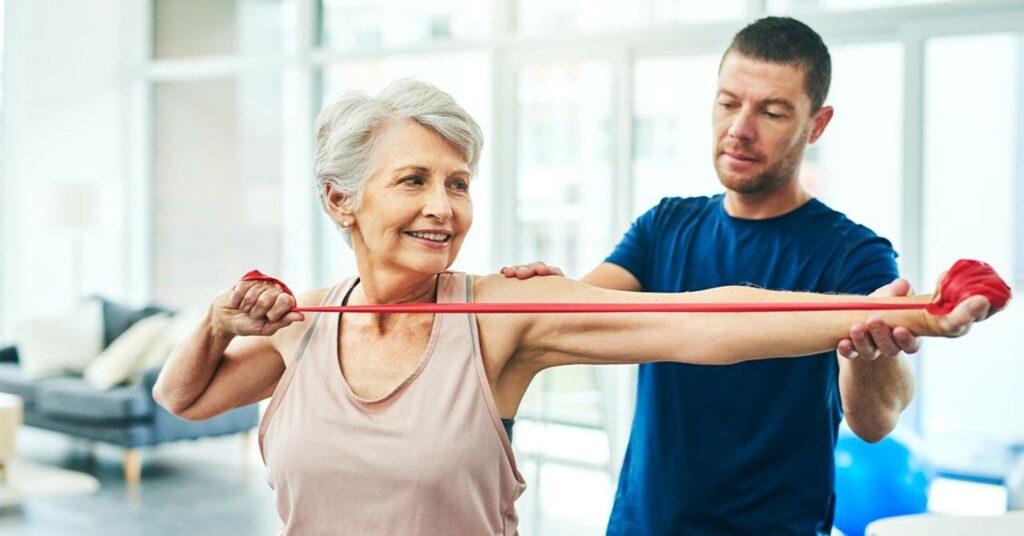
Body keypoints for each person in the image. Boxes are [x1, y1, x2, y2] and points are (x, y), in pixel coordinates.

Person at [152, 78, 1000, 536]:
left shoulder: (501, 316)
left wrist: (920, 311)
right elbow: (180, 398)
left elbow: (712, 317)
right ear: (341, 201)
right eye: (413, 180)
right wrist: (218, 321)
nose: (443, 208)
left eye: (458, 183)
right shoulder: (305, 324)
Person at [502, 16, 934, 535]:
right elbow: (578, 313)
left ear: (816, 125)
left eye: (771, 112)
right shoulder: (665, 225)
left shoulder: (854, 255)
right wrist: (550, 288)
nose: (739, 129)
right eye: (729, 103)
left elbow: (874, 422)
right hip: (644, 526)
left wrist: (870, 352)